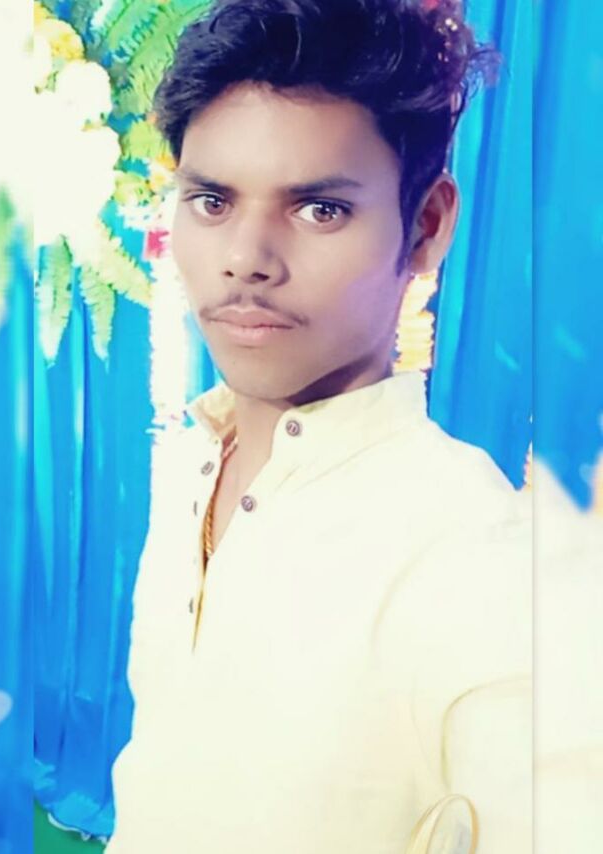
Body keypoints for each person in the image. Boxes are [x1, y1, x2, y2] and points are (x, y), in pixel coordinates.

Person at [106, 1, 532, 851]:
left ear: (425, 227)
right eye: (212, 200)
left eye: (320, 210)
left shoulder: (480, 555)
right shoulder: (193, 462)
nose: (245, 259)